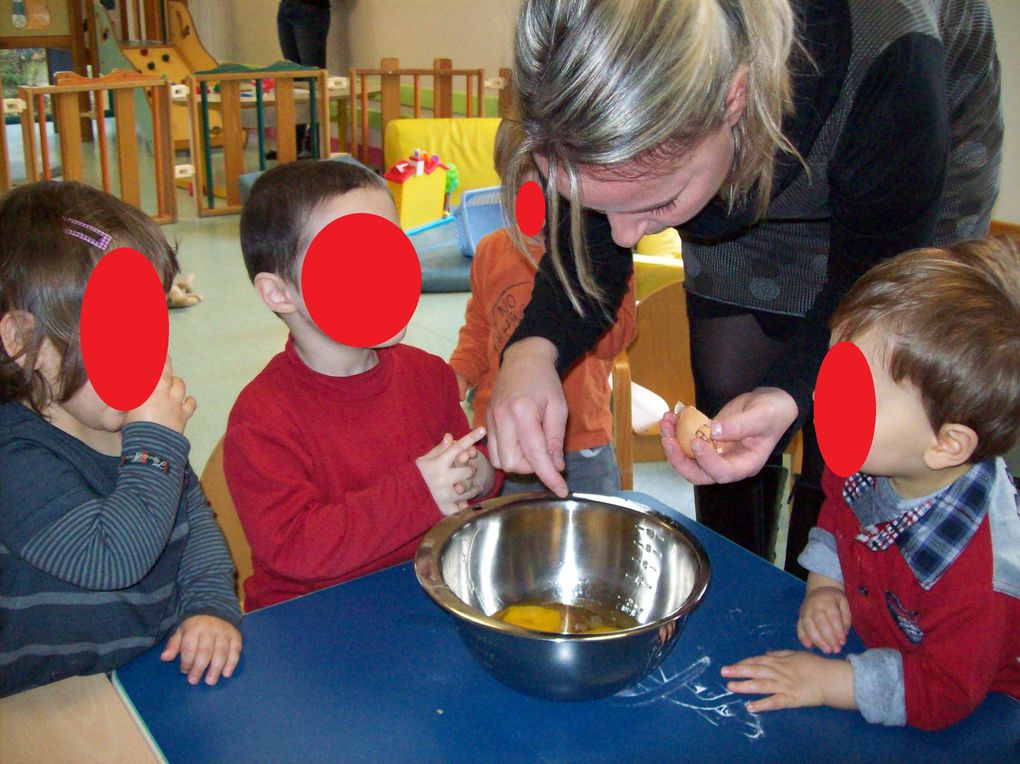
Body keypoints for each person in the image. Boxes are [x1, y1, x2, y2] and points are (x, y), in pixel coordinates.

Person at [486, 0, 1002, 571]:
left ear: (732, 98)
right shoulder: (614, 71)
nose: (627, 236)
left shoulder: (892, 58)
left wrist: (795, 392)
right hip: (740, 149)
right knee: (729, 394)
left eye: (659, 203)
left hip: (888, 116)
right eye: (597, 203)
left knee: (861, 420)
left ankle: (825, 583)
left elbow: (875, 296)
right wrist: (532, 350)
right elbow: (594, 243)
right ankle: (735, 579)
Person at [720, 237, 1020, 730]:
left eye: (855, 392)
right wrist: (825, 585)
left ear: (946, 445)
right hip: (879, 643)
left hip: (983, 713)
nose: (821, 394)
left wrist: (826, 683)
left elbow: (943, 690)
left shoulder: (982, 581)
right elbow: (838, 519)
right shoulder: (870, 456)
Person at [0, 181, 242, 697]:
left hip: (149, 674)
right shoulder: (13, 457)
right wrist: (153, 444)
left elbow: (195, 524)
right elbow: (109, 557)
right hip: (40, 703)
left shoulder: (138, 430)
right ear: (21, 343)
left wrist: (207, 607)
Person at [226, 160, 498, 612]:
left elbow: (464, 475)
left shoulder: (429, 376)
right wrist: (419, 491)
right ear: (279, 293)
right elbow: (294, 548)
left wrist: (481, 475)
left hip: (418, 598)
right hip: (311, 620)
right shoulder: (262, 418)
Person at [450, 227, 636, 495]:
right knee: (508, 528)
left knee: (594, 530)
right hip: (504, 434)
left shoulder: (601, 252)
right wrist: (458, 374)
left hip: (580, 438)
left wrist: (589, 297)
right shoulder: (491, 249)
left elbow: (613, 343)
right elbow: (477, 333)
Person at [275, 0, 332, 158]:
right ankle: (293, 145)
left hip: (310, 8)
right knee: (294, 79)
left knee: (312, 79)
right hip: (286, 6)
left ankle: (315, 144)